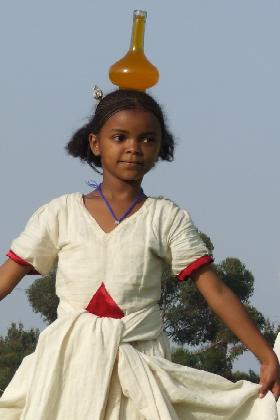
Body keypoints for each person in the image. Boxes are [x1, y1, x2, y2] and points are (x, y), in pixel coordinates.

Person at [0, 89, 279, 419]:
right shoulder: (59, 214)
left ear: (160, 147)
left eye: (147, 139)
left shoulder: (166, 217)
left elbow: (215, 291)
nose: (133, 148)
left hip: (141, 368)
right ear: (95, 143)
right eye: (120, 137)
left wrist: (265, 355)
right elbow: (7, 277)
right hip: (66, 368)